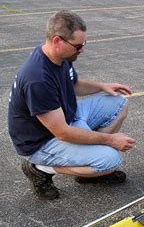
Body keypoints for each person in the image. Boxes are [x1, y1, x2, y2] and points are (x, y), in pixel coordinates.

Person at [8, 10, 136, 200]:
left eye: (83, 44)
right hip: (42, 141)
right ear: (58, 41)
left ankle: (87, 168)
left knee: (119, 103)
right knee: (111, 159)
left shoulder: (58, 56)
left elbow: (73, 84)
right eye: (78, 46)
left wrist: (102, 86)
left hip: (67, 117)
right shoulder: (38, 79)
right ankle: (41, 168)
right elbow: (62, 133)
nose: (82, 50)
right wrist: (110, 140)